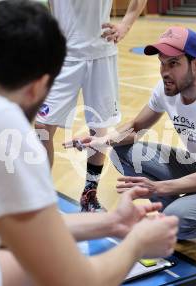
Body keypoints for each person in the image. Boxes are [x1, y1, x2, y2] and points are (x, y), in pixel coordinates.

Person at [0, 1, 178, 286]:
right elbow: (75, 280)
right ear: (39, 86)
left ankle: (87, 197)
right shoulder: (0, 127)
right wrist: (137, 244)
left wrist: (113, 222)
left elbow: (14, 233)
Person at [65, 26, 196, 259]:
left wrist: (158, 188)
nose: (165, 71)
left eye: (173, 63)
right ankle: (184, 209)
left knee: (174, 222)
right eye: (162, 63)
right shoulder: (166, 90)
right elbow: (136, 127)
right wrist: (101, 140)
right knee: (120, 151)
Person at [35, 0, 147, 212]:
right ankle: (41, 193)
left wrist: (126, 24)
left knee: (100, 127)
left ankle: (89, 193)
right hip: (63, 54)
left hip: (101, 54)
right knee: (42, 127)